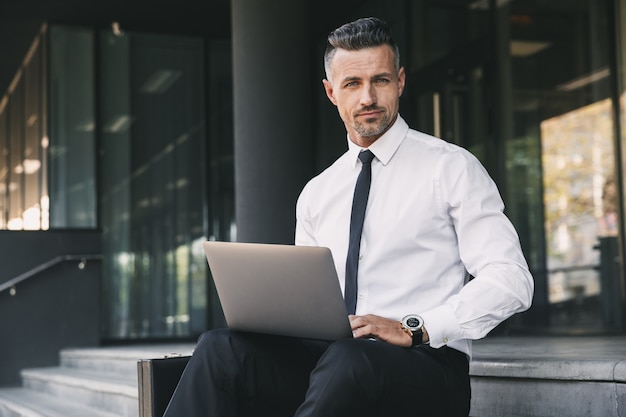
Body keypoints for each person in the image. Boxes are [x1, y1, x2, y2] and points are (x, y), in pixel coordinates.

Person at [163, 16, 533, 417]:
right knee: (221, 348)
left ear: (401, 81)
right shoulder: (318, 192)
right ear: (331, 92)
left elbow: (511, 280)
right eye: (353, 84)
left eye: (381, 80)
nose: (368, 97)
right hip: (333, 366)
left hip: (426, 370)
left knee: (350, 361)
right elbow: (304, 304)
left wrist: (415, 327)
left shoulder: (451, 168)